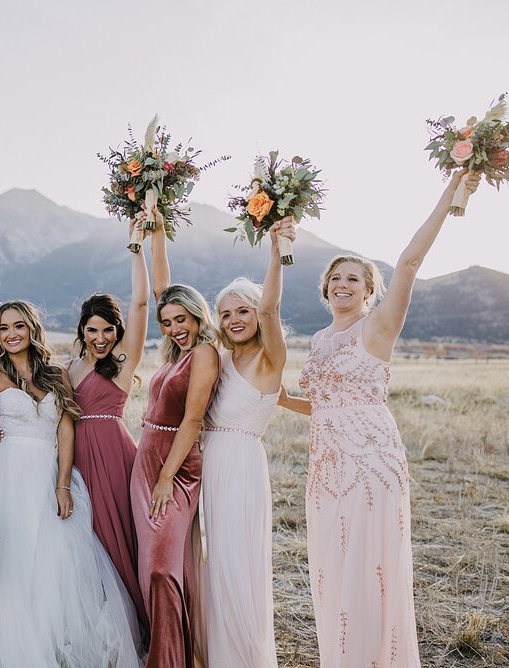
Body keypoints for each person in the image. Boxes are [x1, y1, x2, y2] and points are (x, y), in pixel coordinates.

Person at [278, 171, 481, 667]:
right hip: (325, 469)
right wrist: (279, 400)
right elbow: (324, 407)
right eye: (336, 277)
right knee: (332, 567)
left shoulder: (378, 328)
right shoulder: (322, 340)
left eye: (354, 278)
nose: (343, 283)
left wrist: (451, 192)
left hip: (370, 467)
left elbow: (410, 261)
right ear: (326, 288)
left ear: (370, 291)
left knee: (367, 569)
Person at [0, 301, 141, 668]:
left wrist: (62, 484)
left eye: (19, 326)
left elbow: (66, 427)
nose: (12, 334)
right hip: (4, 476)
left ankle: (51, 647)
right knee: (8, 563)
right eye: (4, 328)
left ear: (31, 329)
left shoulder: (58, 375)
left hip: (48, 475)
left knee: (54, 564)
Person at [198, 220, 295, 667]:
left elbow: (274, 310)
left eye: (243, 311)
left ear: (257, 314)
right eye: (226, 313)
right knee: (207, 562)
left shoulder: (270, 356)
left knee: (234, 562)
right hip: (205, 464)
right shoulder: (219, 358)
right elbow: (168, 299)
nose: (234, 320)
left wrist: (276, 250)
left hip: (239, 465)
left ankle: (239, 657)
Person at [134, 223, 219, 667]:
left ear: (196, 315)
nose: (172, 328)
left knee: (161, 568)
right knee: (151, 562)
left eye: (180, 320)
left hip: (175, 468)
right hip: (145, 461)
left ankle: (167, 661)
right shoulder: (176, 353)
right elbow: (164, 289)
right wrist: (157, 232)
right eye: (166, 323)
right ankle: (167, 648)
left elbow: (192, 419)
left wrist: (166, 477)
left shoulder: (204, 352)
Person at [66, 219, 151, 636]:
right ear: (82, 330)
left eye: (107, 330)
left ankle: (137, 621)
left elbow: (140, 305)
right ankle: (97, 626)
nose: (100, 338)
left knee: (119, 534)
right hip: (76, 457)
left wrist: (136, 249)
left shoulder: (121, 364)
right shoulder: (67, 367)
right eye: (92, 330)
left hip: (114, 456)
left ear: (117, 332)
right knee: (86, 539)